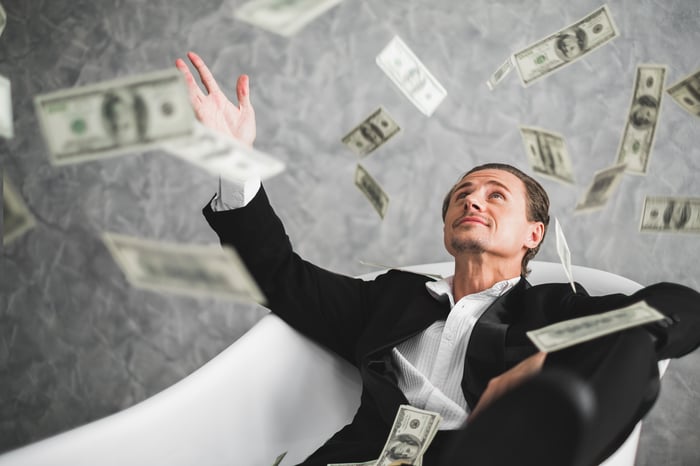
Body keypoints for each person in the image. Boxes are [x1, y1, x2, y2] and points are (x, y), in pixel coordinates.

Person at [175, 51, 700, 466]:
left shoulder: (555, 310)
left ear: (533, 233)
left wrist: (552, 364)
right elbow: (275, 275)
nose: (472, 199)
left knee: (634, 333)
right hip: (365, 461)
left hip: (495, 452)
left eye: (496, 195)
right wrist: (234, 162)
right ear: (447, 226)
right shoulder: (386, 298)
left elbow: (683, 307)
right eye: (462, 195)